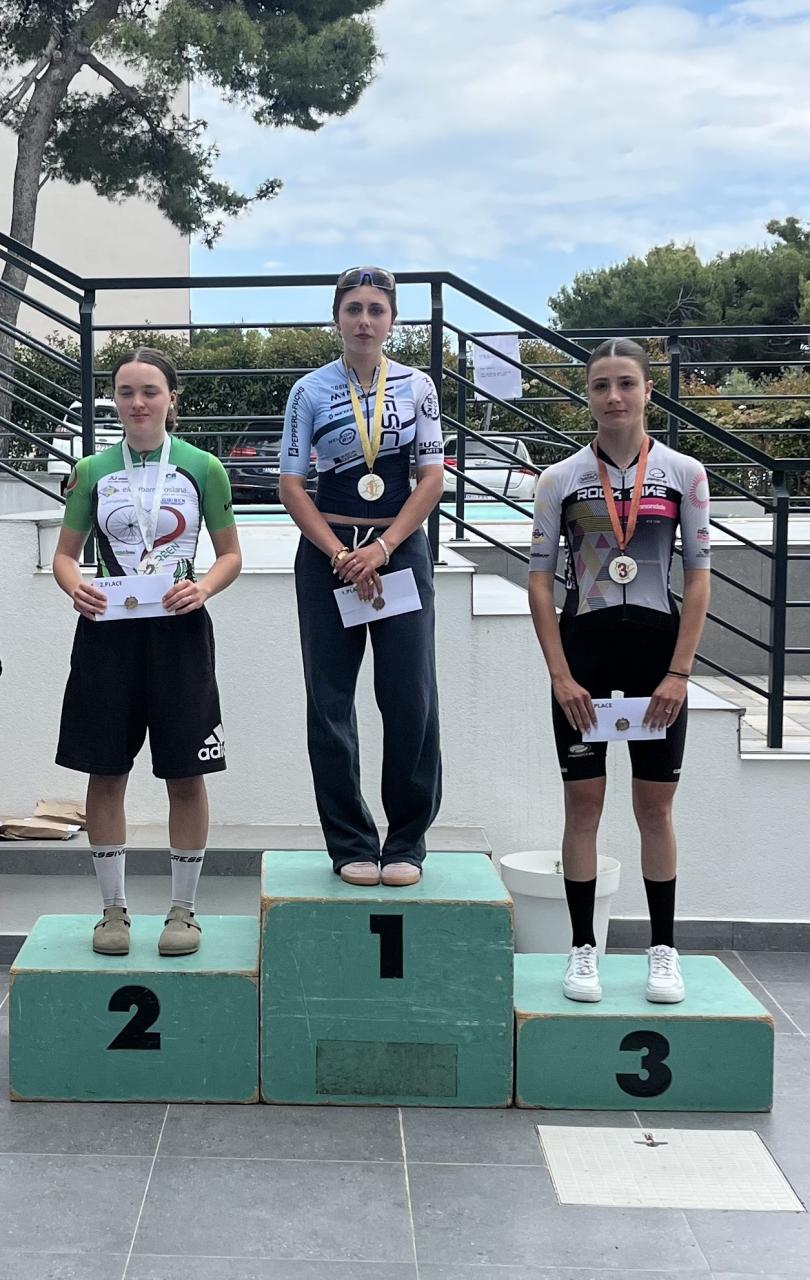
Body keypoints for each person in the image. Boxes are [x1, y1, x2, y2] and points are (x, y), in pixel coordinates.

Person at [528, 338, 711, 1004]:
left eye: (626, 383)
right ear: (587, 395)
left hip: (658, 661)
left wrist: (680, 672)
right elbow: (539, 582)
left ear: (648, 391)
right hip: (586, 657)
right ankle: (583, 949)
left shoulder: (686, 474)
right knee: (583, 806)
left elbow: (699, 577)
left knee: (654, 809)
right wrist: (560, 675)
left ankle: (663, 950)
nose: (614, 397)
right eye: (601, 385)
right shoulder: (559, 479)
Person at [53, 347, 242, 957]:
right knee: (106, 770)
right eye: (126, 392)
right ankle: (113, 911)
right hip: (108, 633)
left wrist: (203, 587)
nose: (137, 403)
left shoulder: (203, 468)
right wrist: (75, 587)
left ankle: (183, 911)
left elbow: (231, 555)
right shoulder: (91, 470)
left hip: (179, 634)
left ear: (171, 399)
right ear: (114, 399)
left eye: (150, 391)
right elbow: (65, 556)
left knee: (186, 773)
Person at [280, 266, 444, 887]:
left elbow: (431, 477)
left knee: (410, 699)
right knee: (329, 702)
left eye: (376, 309)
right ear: (337, 318)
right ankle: (349, 840)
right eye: (354, 309)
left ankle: (406, 841)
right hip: (328, 553)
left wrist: (383, 548)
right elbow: (291, 484)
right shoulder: (309, 390)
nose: (365, 321)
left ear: (392, 319)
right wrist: (339, 554)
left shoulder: (418, 386)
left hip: (397, 552)